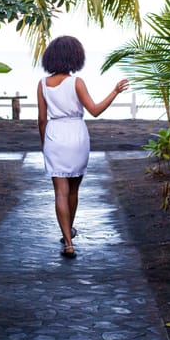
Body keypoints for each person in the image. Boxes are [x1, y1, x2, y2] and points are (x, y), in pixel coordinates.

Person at [37, 35, 128, 258]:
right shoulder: (76, 82)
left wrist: (44, 144)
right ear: (74, 58)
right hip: (76, 134)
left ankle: (68, 241)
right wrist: (114, 92)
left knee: (60, 191)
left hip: (54, 135)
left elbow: (41, 119)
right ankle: (70, 228)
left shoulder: (42, 84)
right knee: (74, 189)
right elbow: (95, 110)